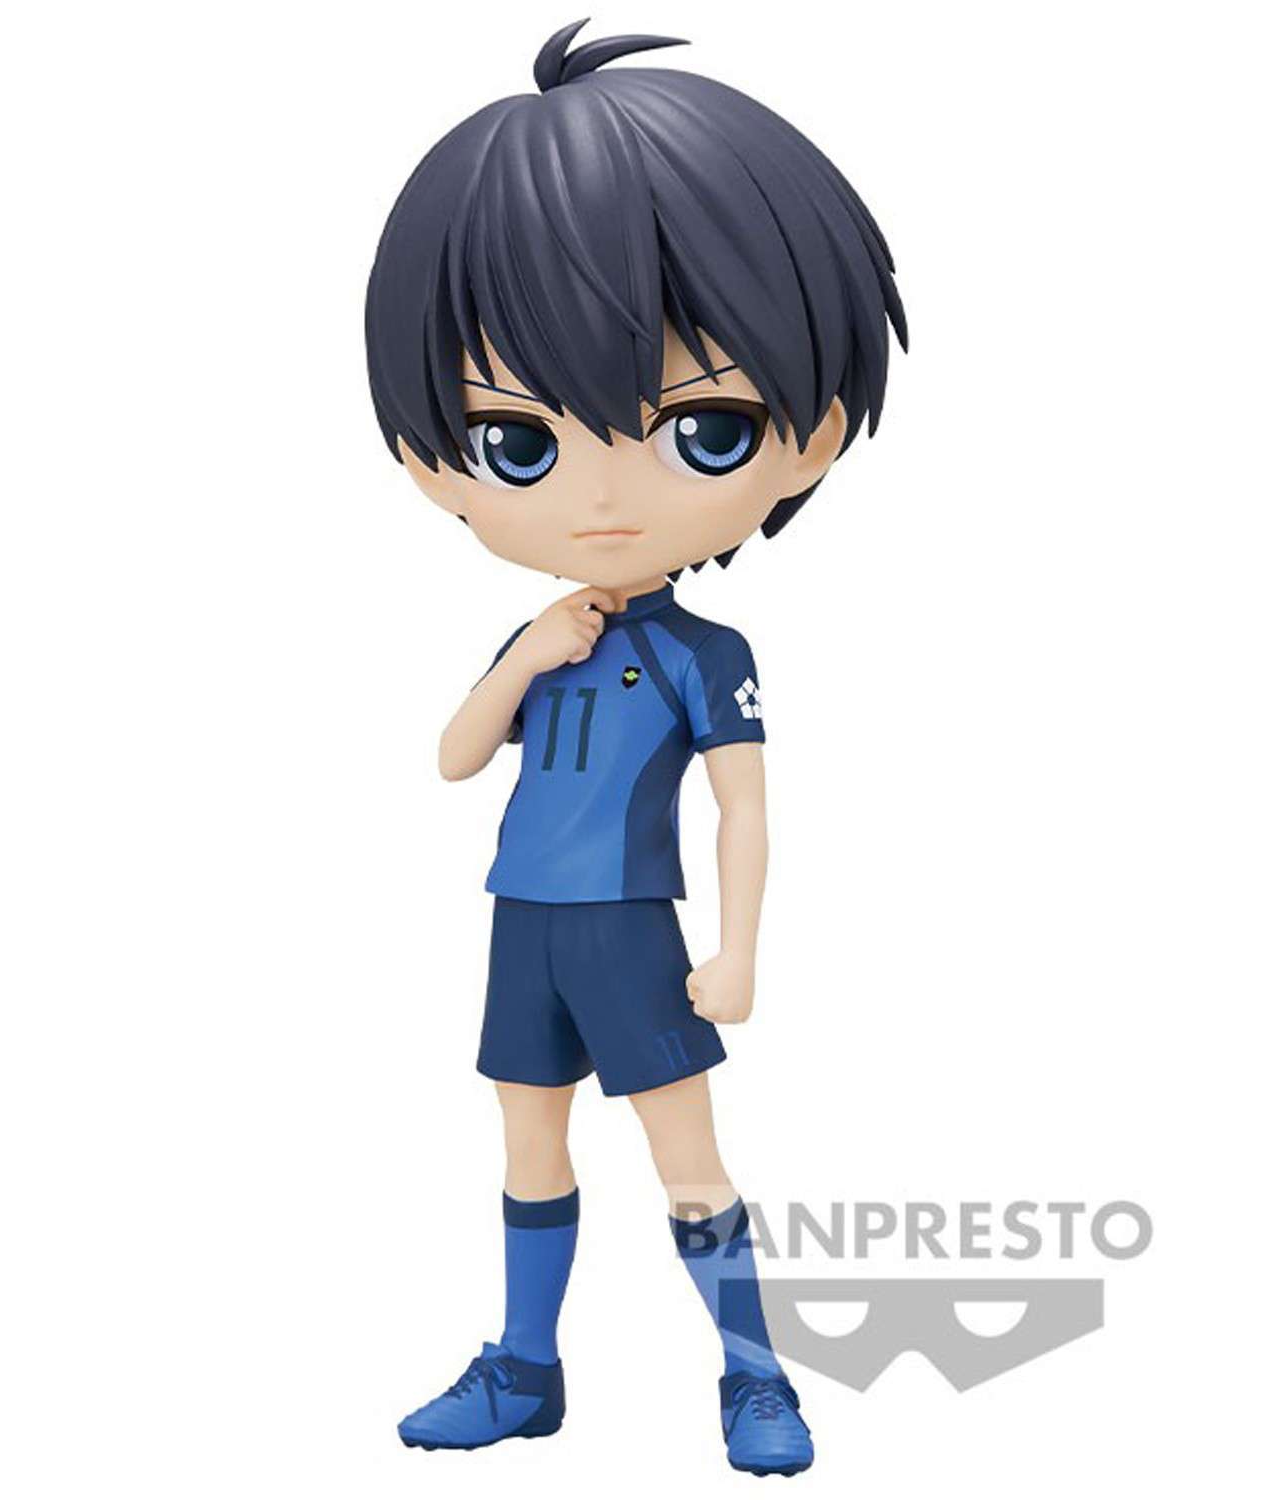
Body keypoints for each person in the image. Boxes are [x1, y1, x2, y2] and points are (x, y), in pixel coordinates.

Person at [364, 18, 907, 1476]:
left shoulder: (702, 655)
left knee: (687, 1160)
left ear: (811, 433)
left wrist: (739, 952)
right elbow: (454, 757)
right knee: (526, 1149)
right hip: (522, 923)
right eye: (521, 444)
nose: (603, 499)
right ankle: (525, 1366)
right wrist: (526, 655)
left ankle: (756, 1376)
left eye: (705, 431)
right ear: (435, 460)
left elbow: (745, 810)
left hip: (627, 930)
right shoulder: (544, 632)